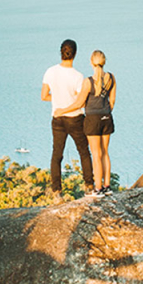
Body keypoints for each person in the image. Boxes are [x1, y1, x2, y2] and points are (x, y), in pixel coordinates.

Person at [54, 49, 116, 195]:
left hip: (92, 120)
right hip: (107, 118)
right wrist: (104, 112)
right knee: (105, 152)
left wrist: (61, 111)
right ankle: (107, 187)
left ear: (91, 62)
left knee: (96, 154)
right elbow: (112, 101)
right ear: (104, 61)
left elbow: (79, 104)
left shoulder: (88, 82)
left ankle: (98, 188)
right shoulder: (111, 78)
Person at [41, 39, 95, 193]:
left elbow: (44, 96)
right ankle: (89, 186)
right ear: (75, 54)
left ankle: (57, 191)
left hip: (57, 119)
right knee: (84, 152)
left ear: (61, 52)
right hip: (75, 119)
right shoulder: (78, 76)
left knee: (57, 154)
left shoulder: (50, 72)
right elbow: (81, 101)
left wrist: (58, 98)